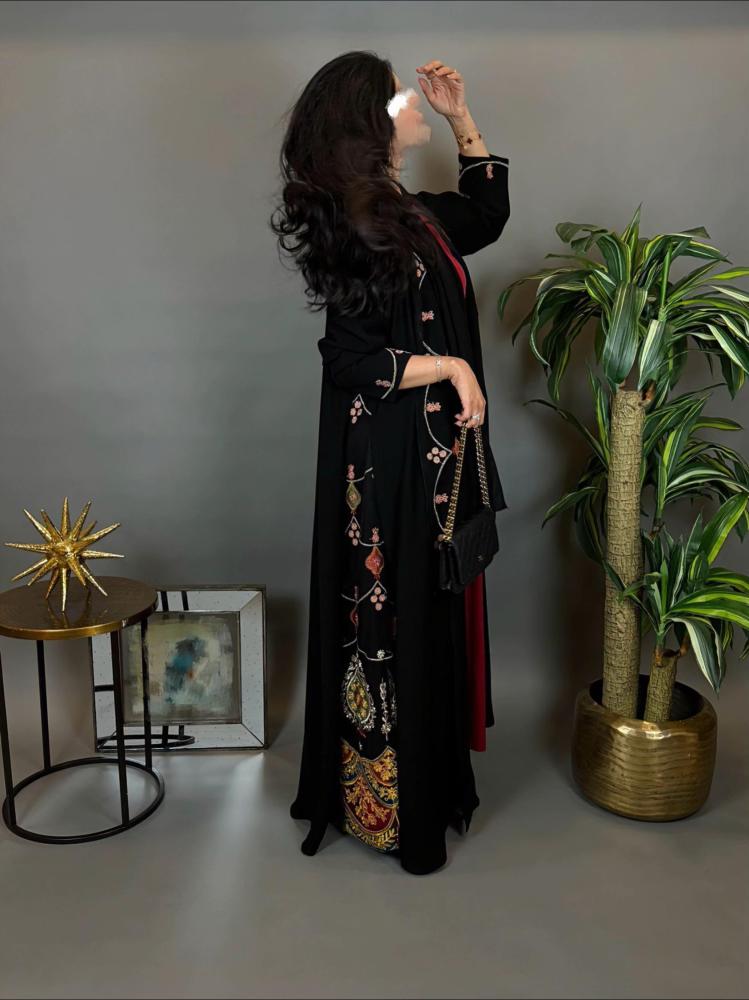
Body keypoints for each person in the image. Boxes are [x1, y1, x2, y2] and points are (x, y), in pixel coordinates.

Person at [270, 51, 511, 875]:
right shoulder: (359, 220)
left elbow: (486, 215)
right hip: (392, 461)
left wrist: (459, 116)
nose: (413, 101)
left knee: (430, 610)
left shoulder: (409, 213)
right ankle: (388, 807)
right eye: (401, 96)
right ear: (370, 123)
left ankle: (427, 789)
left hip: (432, 454)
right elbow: (349, 358)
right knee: (400, 612)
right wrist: (451, 366)